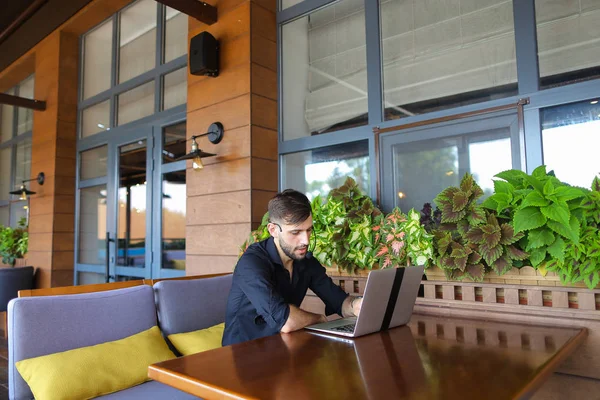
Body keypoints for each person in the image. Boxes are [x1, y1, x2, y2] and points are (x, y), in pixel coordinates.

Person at [222, 189, 363, 346]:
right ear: (273, 230)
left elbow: (339, 301)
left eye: (309, 230)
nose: (305, 240)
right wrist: (319, 319)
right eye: (296, 232)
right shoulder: (252, 263)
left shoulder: (304, 261)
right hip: (242, 355)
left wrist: (357, 305)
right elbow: (285, 321)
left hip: (281, 349)